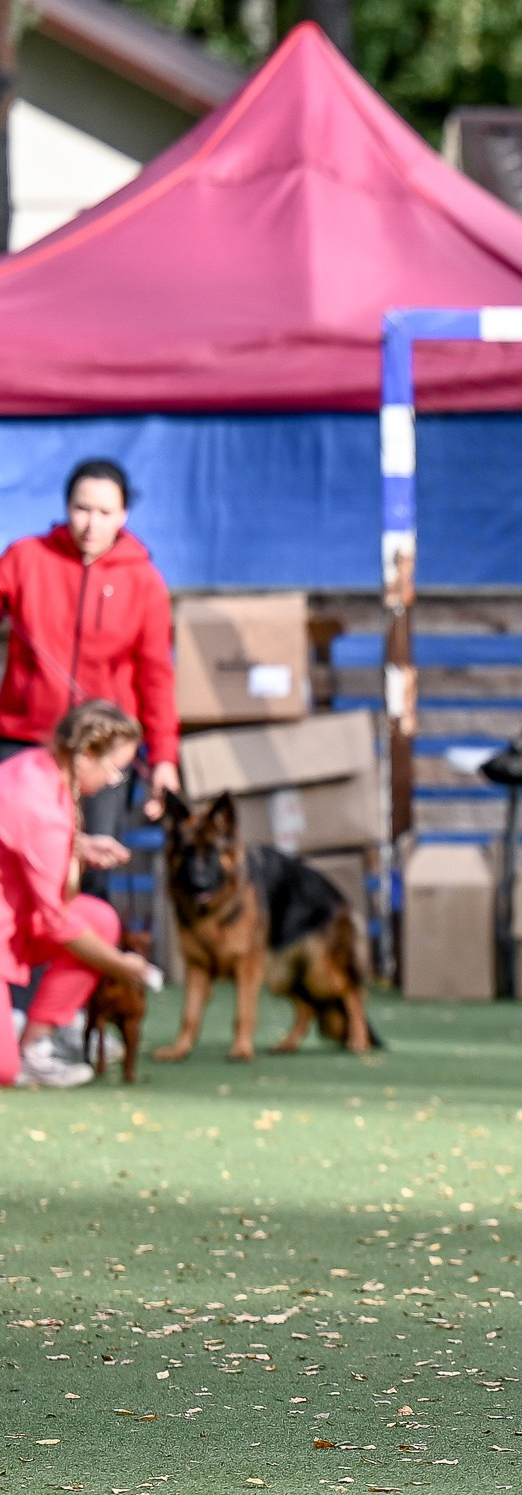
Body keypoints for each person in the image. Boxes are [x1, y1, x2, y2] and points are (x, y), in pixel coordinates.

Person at [0, 459, 182, 893]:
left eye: (104, 513)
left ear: (123, 516)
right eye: (82, 509)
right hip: (24, 740)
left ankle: (86, 960)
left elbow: (157, 676)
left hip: (100, 754)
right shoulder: (26, 558)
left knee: (88, 872)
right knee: (14, 864)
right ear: (66, 507)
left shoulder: (144, 582)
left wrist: (163, 759)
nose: (91, 524)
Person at [0, 701, 164, 1089]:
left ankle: (34, 1048)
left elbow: (19, 841)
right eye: (114, 770)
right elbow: (57, 920)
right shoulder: (42, 807)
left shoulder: (34, 765)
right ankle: (17, 1050)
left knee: (99, 918)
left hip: (12, 917)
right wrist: (120, 965)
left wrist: (79, 845)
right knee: (3, 1072)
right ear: (86, 755)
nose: (112, 781)